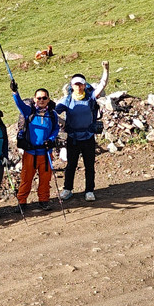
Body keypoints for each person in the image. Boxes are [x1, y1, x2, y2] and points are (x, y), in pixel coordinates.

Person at [55, 61, 109, 202]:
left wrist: (106, 69)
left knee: (89, 166)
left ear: (84, 85)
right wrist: (62, 122)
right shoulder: (66, 100)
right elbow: (53, 113)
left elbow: (103, 84)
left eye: (80, 84)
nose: (78, 87)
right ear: (71, 86)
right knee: (71, 165)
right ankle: (67, 189)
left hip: (88, 137)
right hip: (73, 138)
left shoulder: (90, 97)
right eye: (76, 84)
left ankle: (89, 191)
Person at [11, 82, 60, 210]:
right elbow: (19, 104)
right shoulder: (29, 112)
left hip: (46, 153)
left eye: (44, 98)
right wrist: (15, 93)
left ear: (48, 99)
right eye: (39, 98)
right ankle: (21, 202)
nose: (41, 100)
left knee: (45, 179)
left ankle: (44, 200)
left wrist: (51, 139)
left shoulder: (52, 114)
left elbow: (56, 129)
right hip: (30, 153)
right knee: (26, 178)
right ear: (34, 99)